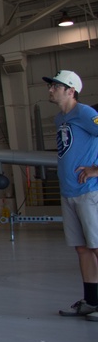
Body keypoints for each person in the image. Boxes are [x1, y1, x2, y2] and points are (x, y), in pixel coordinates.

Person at [43, 71, 98, 320]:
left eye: (56, 86)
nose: (51, 90)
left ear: (71, 90)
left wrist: (96, 170)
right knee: (82, 250)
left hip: (89, 192)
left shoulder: (86, 113)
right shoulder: (60, 119)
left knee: (96, 247)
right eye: (52, 86)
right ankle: (91, 301)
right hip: (69, 193)